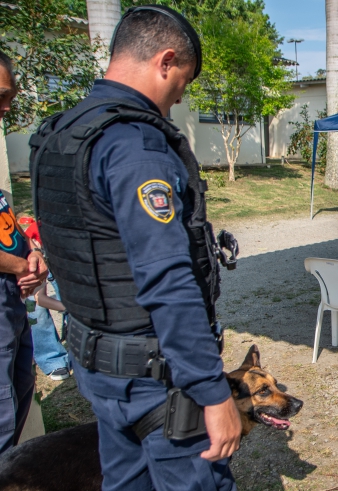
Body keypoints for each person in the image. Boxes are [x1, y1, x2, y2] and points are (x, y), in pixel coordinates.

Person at [28, 7, 241, 489]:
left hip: (97, 367)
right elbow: (166, 278)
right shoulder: (134, 144)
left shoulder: (61, 134)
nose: (177, 99)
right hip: (153, 381)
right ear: (166, 61)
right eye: (182, 85)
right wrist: (212, 393)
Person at [0, 51, 49, 455]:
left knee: (16, 402)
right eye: (1, 95)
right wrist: (20, 264)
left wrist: (29, 249)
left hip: (10, 301)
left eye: (11, 96)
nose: (7, 107)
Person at [19, 219, 70, 381]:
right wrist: (70, 308)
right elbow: (39, 299)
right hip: (39, 251)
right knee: (36, 311)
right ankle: (51, 358)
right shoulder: (35, 245)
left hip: (66, 248)